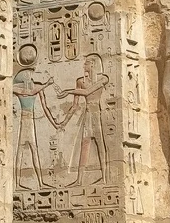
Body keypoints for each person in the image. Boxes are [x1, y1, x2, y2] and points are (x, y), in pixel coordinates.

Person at [56, 53, 109, 186]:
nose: (83, 65)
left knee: (100, 145)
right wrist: (64, 122)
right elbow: (75, 106)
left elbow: (88, 92)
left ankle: (104, 178)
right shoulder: (80, 81)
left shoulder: (103, 79)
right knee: (84, 146)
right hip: (88, 114)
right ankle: (79, 180)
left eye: (86, 63)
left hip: (97, 114)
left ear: (93, 64)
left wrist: (68, 91)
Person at [13, 68, 57, 188]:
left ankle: (40, 183)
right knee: (21, 151)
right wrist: (47, 84)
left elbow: (43, 104)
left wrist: (55, 124)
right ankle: (17, 184)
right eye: (29, 76)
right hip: (24, 121)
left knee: (33, 151)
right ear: (24, 78)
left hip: (30, 121)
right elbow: (31, 91)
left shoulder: (33, 88)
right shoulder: (20, 89)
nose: (32, 78)